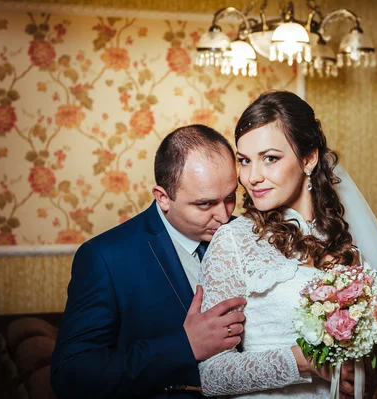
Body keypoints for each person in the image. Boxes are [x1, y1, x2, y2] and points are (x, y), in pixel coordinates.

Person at [198, 91, 377, 398]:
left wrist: (366, 374)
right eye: (245, 161)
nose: (252, 177)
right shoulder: (234, 241)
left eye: (270, 158)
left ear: (309, 158)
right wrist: (303, 361)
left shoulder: (345, 240)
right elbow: (213, 376)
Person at [50, 124, 247, 399]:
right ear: (163, 198)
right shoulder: (105, 258)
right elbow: (71, 375)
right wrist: (184, 346)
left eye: (229, 198)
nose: (225, 217)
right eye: (205, 204)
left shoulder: (247, 234)